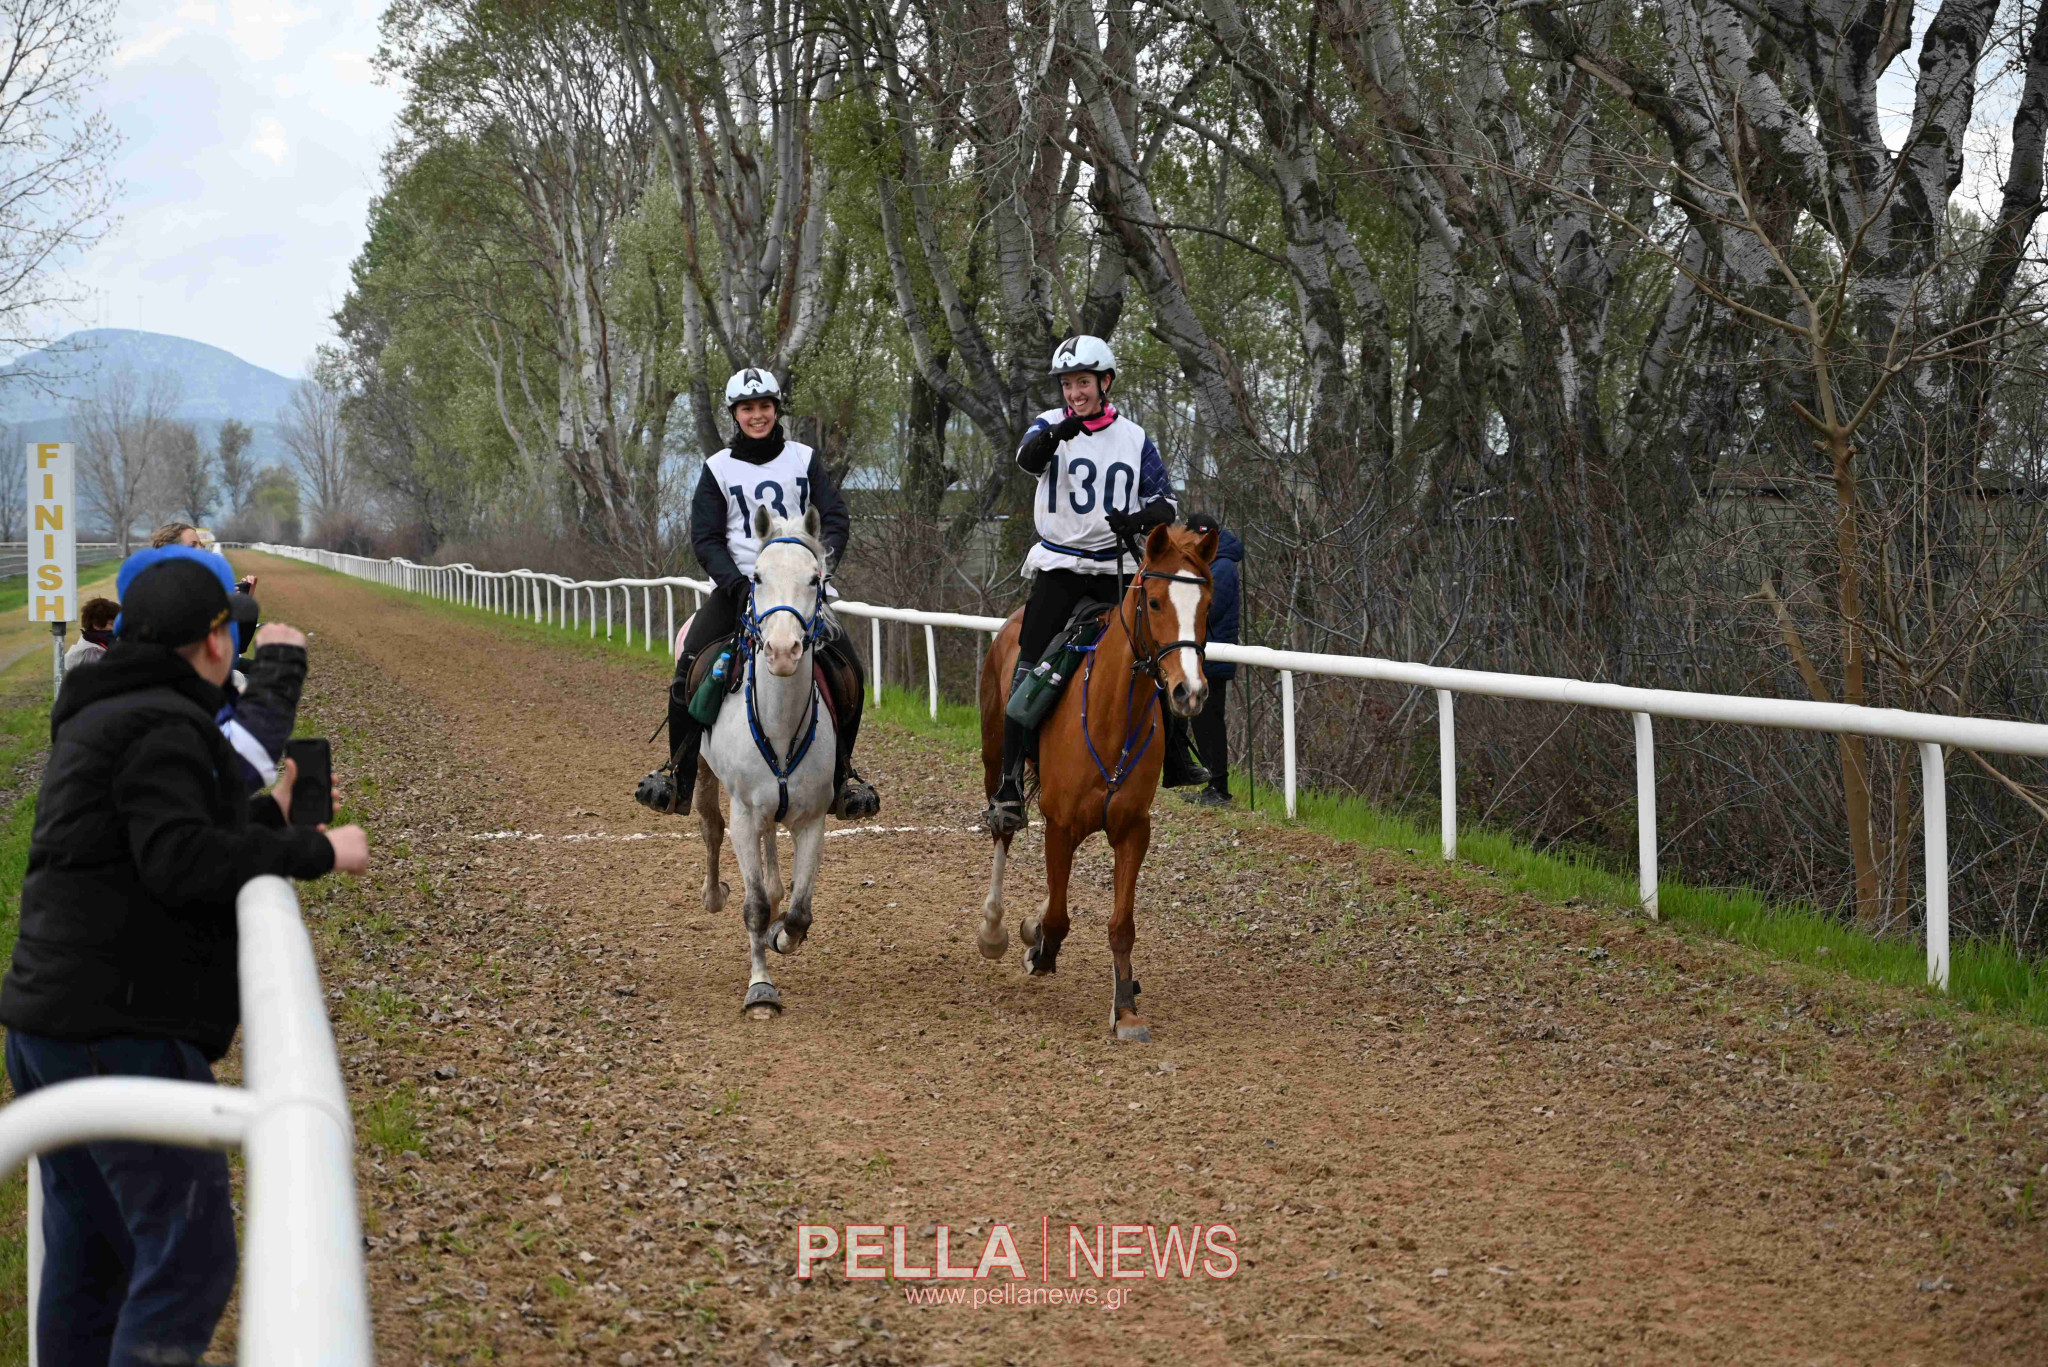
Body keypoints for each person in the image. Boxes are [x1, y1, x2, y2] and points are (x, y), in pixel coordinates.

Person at [0, 546, 368, 1366]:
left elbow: (153, 844)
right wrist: (316, 849)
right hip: (116, 1029)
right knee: (189, 1261)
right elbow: (179, 861)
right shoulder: (163, 723)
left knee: (93, 1260)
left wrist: (268, 821)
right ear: (214, 641)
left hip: (50, 1027)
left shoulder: (108, 710)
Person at [633, 366, 881, 820]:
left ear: (776, 410)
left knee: (849, 670)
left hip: (798, 591)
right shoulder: (718, 468)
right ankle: (678, 777)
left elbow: (835, 518)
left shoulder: (804, 459)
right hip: (740, 588)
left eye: (765, 406)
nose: (757, 415)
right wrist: (736, 582)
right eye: (747, 408)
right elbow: (706, 537)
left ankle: (842, 776)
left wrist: (818, 569)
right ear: (735, 414)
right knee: (690, 665)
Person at [983, 335, 1203, 836]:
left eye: (1082, 382)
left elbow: (1166, 503)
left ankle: (1177, 756)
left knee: (1155, 651)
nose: (1074, 392)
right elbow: (1027, 460)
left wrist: (1137, 519)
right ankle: (1011, 782)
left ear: (1105, 383)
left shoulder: (1135, 438)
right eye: (1067, 384)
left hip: (1115, 571)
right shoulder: (1048, 423)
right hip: (1060, 567)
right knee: (1029, 658)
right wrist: (1059, 432)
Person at [1180, 512, 1241, 806]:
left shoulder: (1223, 566)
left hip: (1214, 656)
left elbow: (1209, 611)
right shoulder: (1209, 563)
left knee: (1209, 723)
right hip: (1200, 655)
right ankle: (1209, 783)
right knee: (1198, 722)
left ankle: (1219, 788)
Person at [63, 597, 119, 671]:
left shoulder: (98, 643)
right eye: (111, 624)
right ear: (96, 625)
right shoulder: (90, 652)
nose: (116, 628)